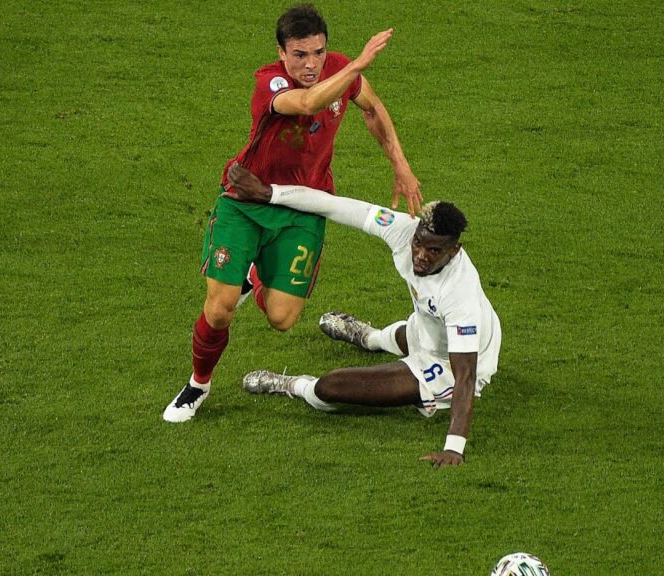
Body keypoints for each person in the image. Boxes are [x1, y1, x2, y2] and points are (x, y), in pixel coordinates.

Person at [163, 4, 422, 423]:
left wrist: (400, 165)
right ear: (282, 52)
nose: (310, 63)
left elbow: (371, 108)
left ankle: (255, 276)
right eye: (299, 54)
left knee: (282, 319)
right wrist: (355, 66)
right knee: (219, 310)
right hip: (247, 200)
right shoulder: (271, 83)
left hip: (303, 206)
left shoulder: (337, 71)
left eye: (318, 53)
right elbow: (306, 103)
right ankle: (198, 384)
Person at [227, 164, 501, 467]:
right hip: (429, 326)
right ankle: (369, 337)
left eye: (434, 251)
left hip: (451, 362)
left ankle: (293, 385)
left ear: (453, 251)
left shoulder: (460, 295)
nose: (421, 255)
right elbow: (335, 206)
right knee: (410, 330)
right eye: (419, 244)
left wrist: (454, 448)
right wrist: (270, 194)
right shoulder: (404, 229)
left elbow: (466, 375)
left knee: (330, 387)